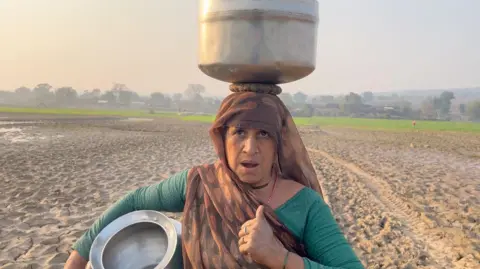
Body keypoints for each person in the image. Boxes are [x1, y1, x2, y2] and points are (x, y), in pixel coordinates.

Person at [64, 91, 364, 269]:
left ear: (278, 145)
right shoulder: (200, 184)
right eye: (239, 133)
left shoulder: (306, 205)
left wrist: (279, 257)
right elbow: (134, 202)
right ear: (222, 138)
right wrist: (77, 260)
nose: (250, 148)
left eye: (263, 134)